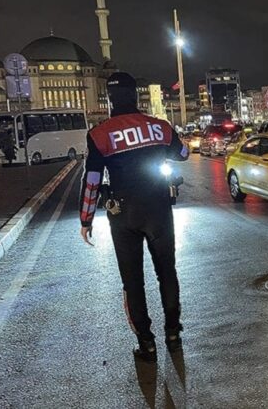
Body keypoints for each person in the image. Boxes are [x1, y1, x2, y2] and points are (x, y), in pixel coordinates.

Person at [79, 72, 189, 362]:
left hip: (122, 213)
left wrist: (86, 219)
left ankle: (146, 342)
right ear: (136, 94)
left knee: (133, 281)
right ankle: (173, 333)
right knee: (167, 272)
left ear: (109, 98)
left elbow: (92, 179)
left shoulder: (99, 134)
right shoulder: (159, 127)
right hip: (158, 207)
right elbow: (184, 153)